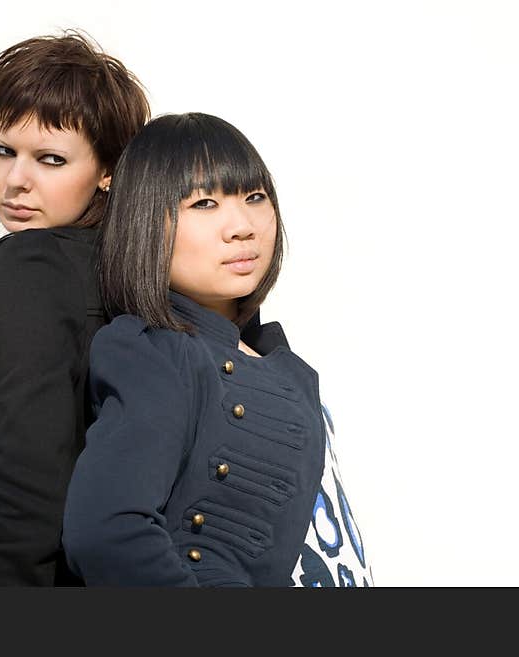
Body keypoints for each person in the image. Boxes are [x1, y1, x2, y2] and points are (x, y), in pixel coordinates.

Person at [62, 113, 373, 587]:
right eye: (204, 203)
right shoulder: (157, 352)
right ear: (146, 223)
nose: (242, 226)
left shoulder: (275, 359)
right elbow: (106, 533)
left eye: (254, 197)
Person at [0, 31, 150, 586]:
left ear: (107, 170)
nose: (16, 180)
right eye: (3, 150)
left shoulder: (34, 269)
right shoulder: (122, 278)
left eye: (50, 159)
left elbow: (32, 477)